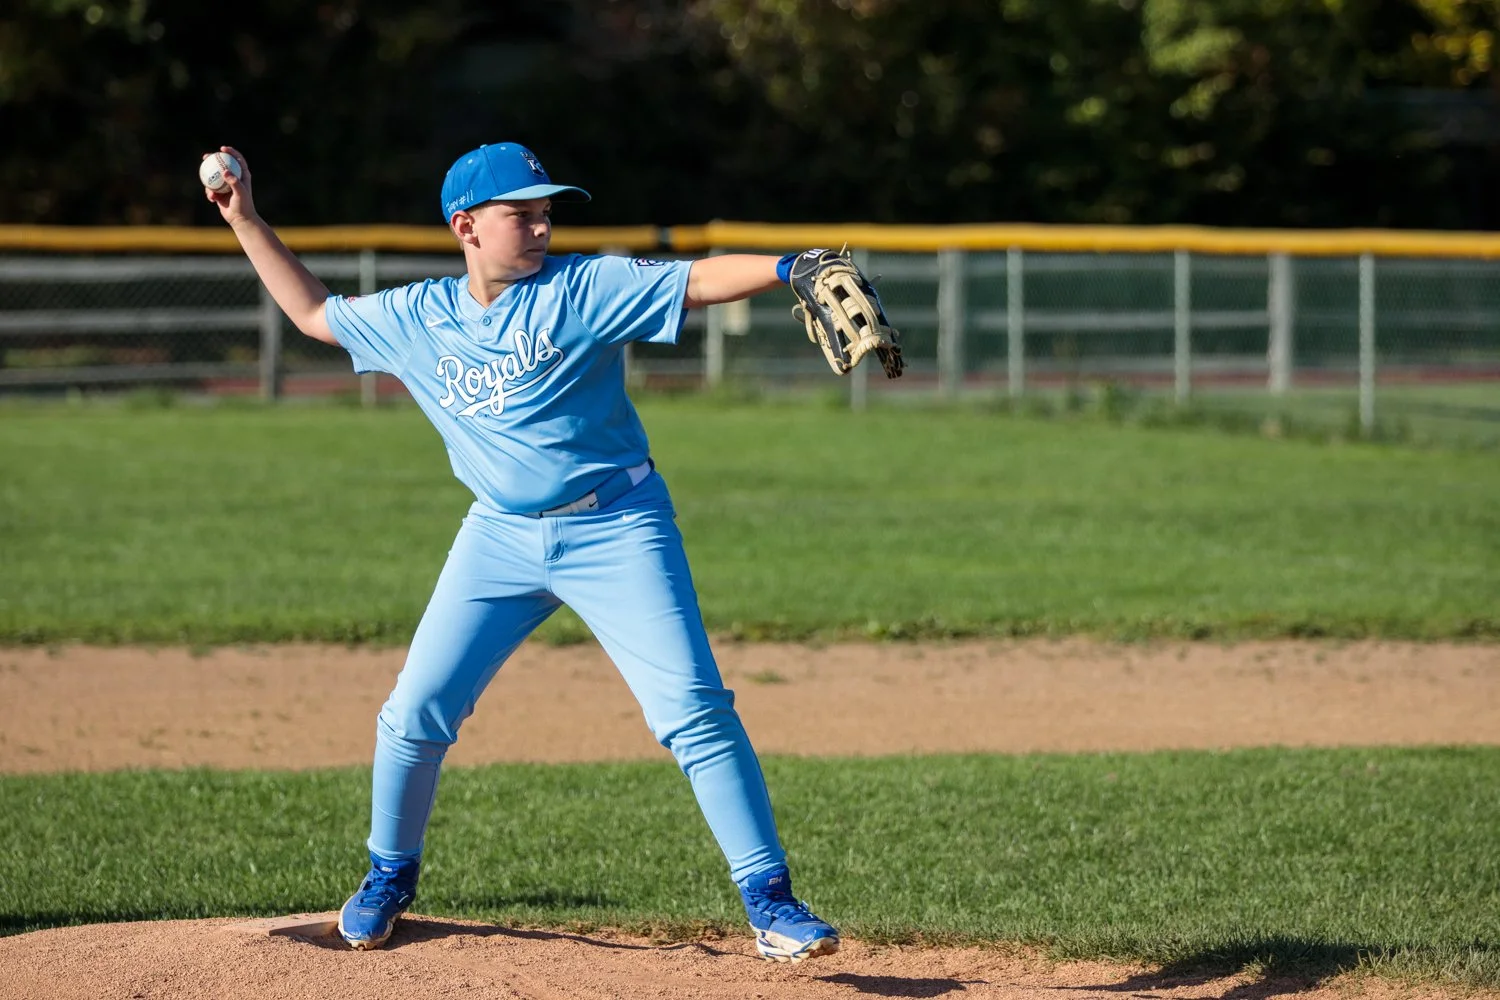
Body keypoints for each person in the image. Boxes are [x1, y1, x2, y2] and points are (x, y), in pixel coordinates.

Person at [203, 141, 840, 963]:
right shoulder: (418, 316)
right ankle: (387, 877)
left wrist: (792, 266)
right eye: (522, 211)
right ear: (466, 226)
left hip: (618, 526)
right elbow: (316, 316)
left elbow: (699, 278)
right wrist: (247, 218)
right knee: (413, 714)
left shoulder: (582, 288)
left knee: (693, 710)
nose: (541, 223)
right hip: (498, 534)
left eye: (546, 209)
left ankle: (772, 904)